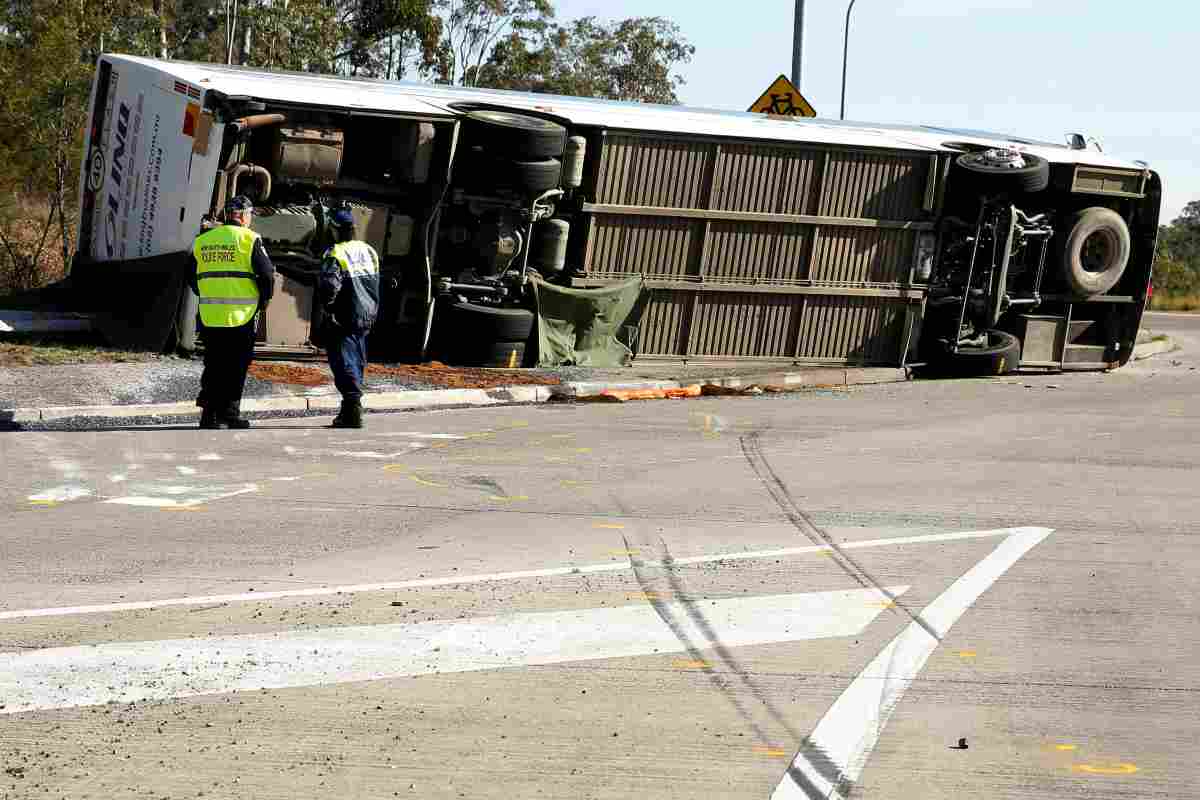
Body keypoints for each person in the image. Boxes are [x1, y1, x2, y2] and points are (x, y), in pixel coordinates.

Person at [189, 195, 274, 430]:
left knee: (214, 363)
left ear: (227, 215)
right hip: (241, 315)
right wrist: (264, 299)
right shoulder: (249, 239)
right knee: (236, 365)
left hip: (210, 314)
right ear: (245, 216)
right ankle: (230, 413)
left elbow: (191, 276)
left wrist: (207, 292)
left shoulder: (203, 240)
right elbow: (267, 274)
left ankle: (209, 415)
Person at [316, 207, 380, 429]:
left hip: (344, 316)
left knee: (343, 362)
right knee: (357, 360)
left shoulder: (336, 253)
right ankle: (348, 411)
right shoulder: (369, 251)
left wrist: (329, 308)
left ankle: (352, 410)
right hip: (366, 315)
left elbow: (328, 285)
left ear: (334, 230)